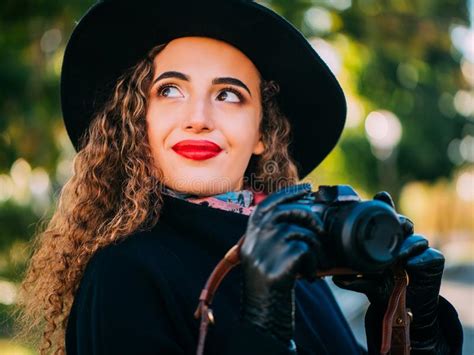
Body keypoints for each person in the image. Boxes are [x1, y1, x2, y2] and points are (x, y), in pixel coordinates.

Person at [17, 1, 463, 354]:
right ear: (138, 121)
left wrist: (416, 332)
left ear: (261, 135)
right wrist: (262, 327)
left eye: (229, 95)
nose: (199, 117)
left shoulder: (295, 257)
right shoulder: (123, 274)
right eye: (170, 90)